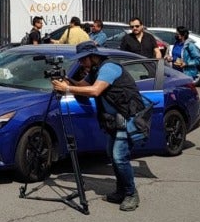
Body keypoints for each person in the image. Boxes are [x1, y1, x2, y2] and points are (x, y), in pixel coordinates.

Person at [51, 42, 148, 212]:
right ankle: (121, 191)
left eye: (83, 59)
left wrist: (67, 88)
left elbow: (95, 91)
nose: (81, 63)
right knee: (112, 154)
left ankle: (131, 194)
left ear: (92, 56)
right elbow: (83, 86)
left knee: (119, 157)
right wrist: (68, 80)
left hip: (127, 118)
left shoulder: (109, 68)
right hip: (114, 120)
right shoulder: (95, 70)